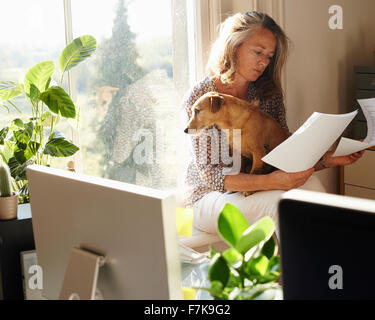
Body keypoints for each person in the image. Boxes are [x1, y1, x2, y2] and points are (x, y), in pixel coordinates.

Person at [182, 11, 364, 238]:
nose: (264, 62)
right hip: (209, 197)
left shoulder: (268, 94)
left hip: (254, 188)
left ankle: (320, 269)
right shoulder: (203, 98)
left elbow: (283, 154)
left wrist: (327, 159)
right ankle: (297, 273)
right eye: (258, 52)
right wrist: (269, 181)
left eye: (269, 56)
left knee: (315, 190)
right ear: (234, 46)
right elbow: (212, 175)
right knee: (280, 205)